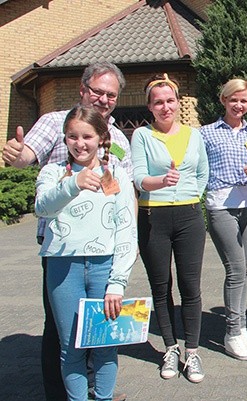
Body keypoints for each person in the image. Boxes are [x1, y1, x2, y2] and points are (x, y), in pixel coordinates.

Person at [2, 61, 131, 401]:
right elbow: (25, 158)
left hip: (103, 249)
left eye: (111, 95)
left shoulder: (117, 138)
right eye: (98, 92)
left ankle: (95, 391)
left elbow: (124, 190)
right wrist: (15, 156)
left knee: (100, 334)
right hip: (61, 248)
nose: (103, 100)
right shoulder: (52, 122)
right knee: (61, 332)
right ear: (83, 89)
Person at [35, 105, 137, 401]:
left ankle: (103, 398)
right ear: (65, 139)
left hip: (103, 267)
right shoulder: (53, 172)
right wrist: (73, 184)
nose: (80, 143)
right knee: (71, 347)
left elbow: (126, 230)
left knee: (105, 344)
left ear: (102, 138)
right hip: (62, 269)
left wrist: (117, 283)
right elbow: (42, 207)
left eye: (87, 136)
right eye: (72, 137)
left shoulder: (114, 173)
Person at [130, 74, 209, 382]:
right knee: (160, 287)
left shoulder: (194, 135)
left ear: (178, 103)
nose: (165, 107)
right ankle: (170, 348)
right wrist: (160, 183)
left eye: (170, 101)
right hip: (154, 217)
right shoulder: (142, 136)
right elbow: (138, 178)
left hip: (189, 217)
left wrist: (191, 196)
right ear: (150, 106)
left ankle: (192, 352)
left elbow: (202, 173)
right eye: (158, 102)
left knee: (191, 287)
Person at [201, 78, 247, 361]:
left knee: (245, 269)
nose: (238, 105)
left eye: (244, 100)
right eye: (233, 100)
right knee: (236, 269)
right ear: (223, 100)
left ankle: (241, 329)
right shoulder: (205, 133)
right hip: (221, 206)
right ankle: (232, 333)